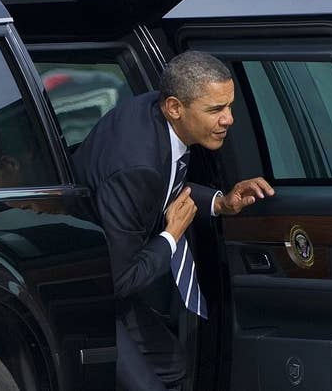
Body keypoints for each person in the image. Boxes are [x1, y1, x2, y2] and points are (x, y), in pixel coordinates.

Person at [71, 51, 274, 391]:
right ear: (175, 107)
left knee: (170, 365)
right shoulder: (136, 167)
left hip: (107, 282)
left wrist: (220, 203)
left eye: (228, 106)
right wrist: (171, 235)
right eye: (215, 110)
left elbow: (165, 186)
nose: (229, 120)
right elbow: (120, 280)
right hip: (87, 293)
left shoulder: (156, 116)